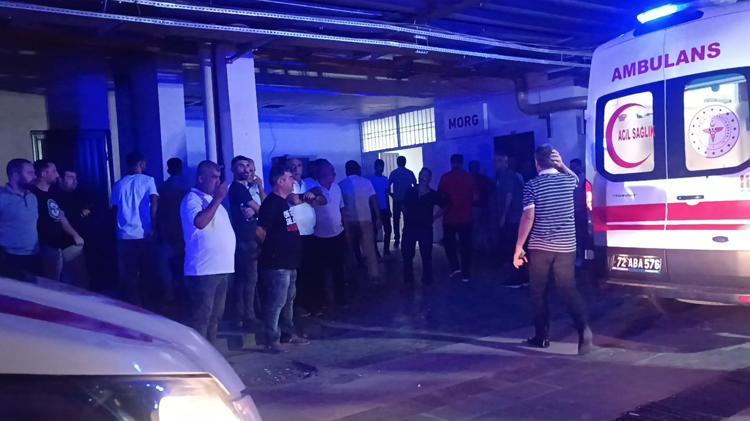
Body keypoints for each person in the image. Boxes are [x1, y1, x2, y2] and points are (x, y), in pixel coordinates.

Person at [513, 145, 593, 355]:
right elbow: (577, 179)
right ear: (554, 161)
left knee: (538, 292)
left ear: (536, 163)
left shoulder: (532, 185)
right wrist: (563, 165)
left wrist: (519, 246)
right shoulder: (568, 181)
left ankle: (541, 337)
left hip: (540, 247)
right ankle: (584, 331)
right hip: (566, 246)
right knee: (568, 289)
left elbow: (528, 217)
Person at [181, 160, 235, 343]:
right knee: (201, 317)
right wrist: (218, 199)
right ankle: (198, 355)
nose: (218, 182)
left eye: (219, 178)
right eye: (213, 177)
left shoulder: (212, 201)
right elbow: (200, 222)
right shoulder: (192, 199)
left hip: (221, 267)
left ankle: (210, 352)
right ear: (201, 178)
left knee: (215, 316)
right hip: (203, 269)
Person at [257, 164, 309, 353]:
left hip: (289, 261)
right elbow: (260, 230)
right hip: (277, 263)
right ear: (280, 181)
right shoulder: (271, 203)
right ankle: (271, 339)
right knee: (276, 302)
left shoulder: (284, 202)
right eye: (289, 178)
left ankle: (288, 333)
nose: (293, 181)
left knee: (288, 300)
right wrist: (272, 249)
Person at [111, 152, 159, 307]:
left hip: (124, 235)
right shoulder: (148, 181)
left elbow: (114, 210)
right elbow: (154, 204)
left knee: (128, 275)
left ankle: (132, 305)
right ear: (141, 163)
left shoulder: (118, 184)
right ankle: (147, 306)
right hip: (143, 234)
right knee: (147, 272)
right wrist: (153, 227)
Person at [31, 160, 84, 282]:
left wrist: (75, 235)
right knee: (50, 283)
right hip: (45, 246)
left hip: (57, 246)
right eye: (54, 171)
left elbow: (61, 217)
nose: (57, 175)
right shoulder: (33, 196)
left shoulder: (51, 195)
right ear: (43, 173)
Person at [227, 155, 264, 330]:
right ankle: (247, 316)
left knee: (245, 279)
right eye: (241, 166)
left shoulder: (245, 188)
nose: (246, 169)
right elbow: (260, 209)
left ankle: (242, 316)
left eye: (247, 166)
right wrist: (258, 211)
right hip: (245, 239)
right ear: (233, 170)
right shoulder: (238, 188)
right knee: (248, 279)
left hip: (248, 238)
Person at [286, 158, 326, 317]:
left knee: (312, 271)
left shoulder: (309, 183)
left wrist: (314, 195)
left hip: (310, 233)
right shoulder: (286, 183)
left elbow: (323, 200)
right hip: (294, 235)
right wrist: (309, 196)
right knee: (298, 274)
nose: (296, 169)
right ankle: (299, 305)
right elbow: (294, 200)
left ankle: (313, 303)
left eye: (299, 166)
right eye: (292, 166)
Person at [308, 159, 348, 310]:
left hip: (338, 233)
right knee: (320, 271)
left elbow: (341, 208)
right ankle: (322, 300)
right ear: (321, 173)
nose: (334, 174)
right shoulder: (313, 188)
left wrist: (346, 228)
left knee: (339, 268)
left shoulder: (336, 187)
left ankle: (340, 298)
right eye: (330, 171)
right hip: (320, 236)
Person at [340, 160, 381, 284]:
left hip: (349, 221)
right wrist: (378, 217)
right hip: (365, 219)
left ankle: (351, 277)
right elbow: (374, 201)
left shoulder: (341, 185)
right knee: (370, 250)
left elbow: (340, 207)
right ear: (358, 169)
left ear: (346, 170)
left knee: (350, 251)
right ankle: (374, 276)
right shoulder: (366, 182)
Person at [157, 158, 191, 305]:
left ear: (168, 169)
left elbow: (158, 210)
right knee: (185, 263)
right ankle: (186, 294)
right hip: (184, 230)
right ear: (181, 169)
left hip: (167, 230)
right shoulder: (188, 185)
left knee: (167, 265)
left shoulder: (163, 187)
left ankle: (170, 294)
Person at [401, 168, 443, 285]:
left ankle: (427, 279)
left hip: (425, 227)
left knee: (426, 254)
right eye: (421, 175)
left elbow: (445, 205)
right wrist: (406, 216)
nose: (423, 177)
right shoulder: (411, 191)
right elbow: (403, 204)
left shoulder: (433, 194)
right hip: (410, 227)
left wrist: (434, 217)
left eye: (426, 175)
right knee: (407, 253)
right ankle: (408, 279)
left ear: (430, 178)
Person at [438, 154, 475, 283]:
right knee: (466, 245)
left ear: (451, 163)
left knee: (450, 244)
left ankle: (455, 268)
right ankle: (466, 273)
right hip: (466, 216)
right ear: (462, 163)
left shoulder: (445, 177)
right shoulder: (468, 177)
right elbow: (474, 196)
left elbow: (440, 196)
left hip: (449, 217)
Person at [0, 159, 39, 281]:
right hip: (9, 257)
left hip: (34, 255)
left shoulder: (32, 197)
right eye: (30, 173)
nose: (34, 176)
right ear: (15, 175)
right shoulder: (2, 197)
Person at [56, 168, 91, 288]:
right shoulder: (54, 197)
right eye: (70, 177)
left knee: (80, 280)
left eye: (75, 178)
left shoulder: (79, 196)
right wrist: (75, 235)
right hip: (66, 244)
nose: (75, 181)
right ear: (60, 179)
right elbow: (61, 218)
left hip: (78, 243)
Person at [495, 151, 526, 287]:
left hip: (513, 217)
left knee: (514, 246)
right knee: (518, 246)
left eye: (498, 161)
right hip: (517, 217)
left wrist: (503, 216)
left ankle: (517, 277)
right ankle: (522, 276)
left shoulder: (506, 176)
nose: (495, 164)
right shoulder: (511, 175)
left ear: (505, 162)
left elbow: (509, 195)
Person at [388, 156, 416, 248]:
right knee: (408, 219)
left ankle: (397, 239)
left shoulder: (394, 173)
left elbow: (387, 186)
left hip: (397, 200)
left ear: (397, 163)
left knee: (396, 220)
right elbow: (415, 185)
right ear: (405, 162)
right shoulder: (410, 173)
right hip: (408, 200)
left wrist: (392, 195)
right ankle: (408, 236)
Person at [369, 159, 392, 258]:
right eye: (379, 166)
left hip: (384, 208)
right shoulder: (370, 179)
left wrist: (389, 208)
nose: (381, 168)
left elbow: (386, 195)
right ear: (375, 167)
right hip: (374, 208)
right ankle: (375, 251)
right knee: (374, 231)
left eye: (382, 166)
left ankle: (386, 249)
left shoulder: (385, 179)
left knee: (388, 230)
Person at [469, 160, 493, 252]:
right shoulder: (483, 178)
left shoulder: (469, 178)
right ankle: (483, 246)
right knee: (483, 227)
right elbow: (493, 185)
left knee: (477, 227)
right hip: (483, 205)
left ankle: (478, 246)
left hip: (477, 206)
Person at [570, 158, 588, 268]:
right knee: (575, 236)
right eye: (571, 167)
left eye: (574, 166)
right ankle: (577, 257)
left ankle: (583, 258)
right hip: (572, 212)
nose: (573, 169)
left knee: (582, 236)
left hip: (582, 211)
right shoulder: (569, 179)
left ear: (580, 166)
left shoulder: (584, 178)